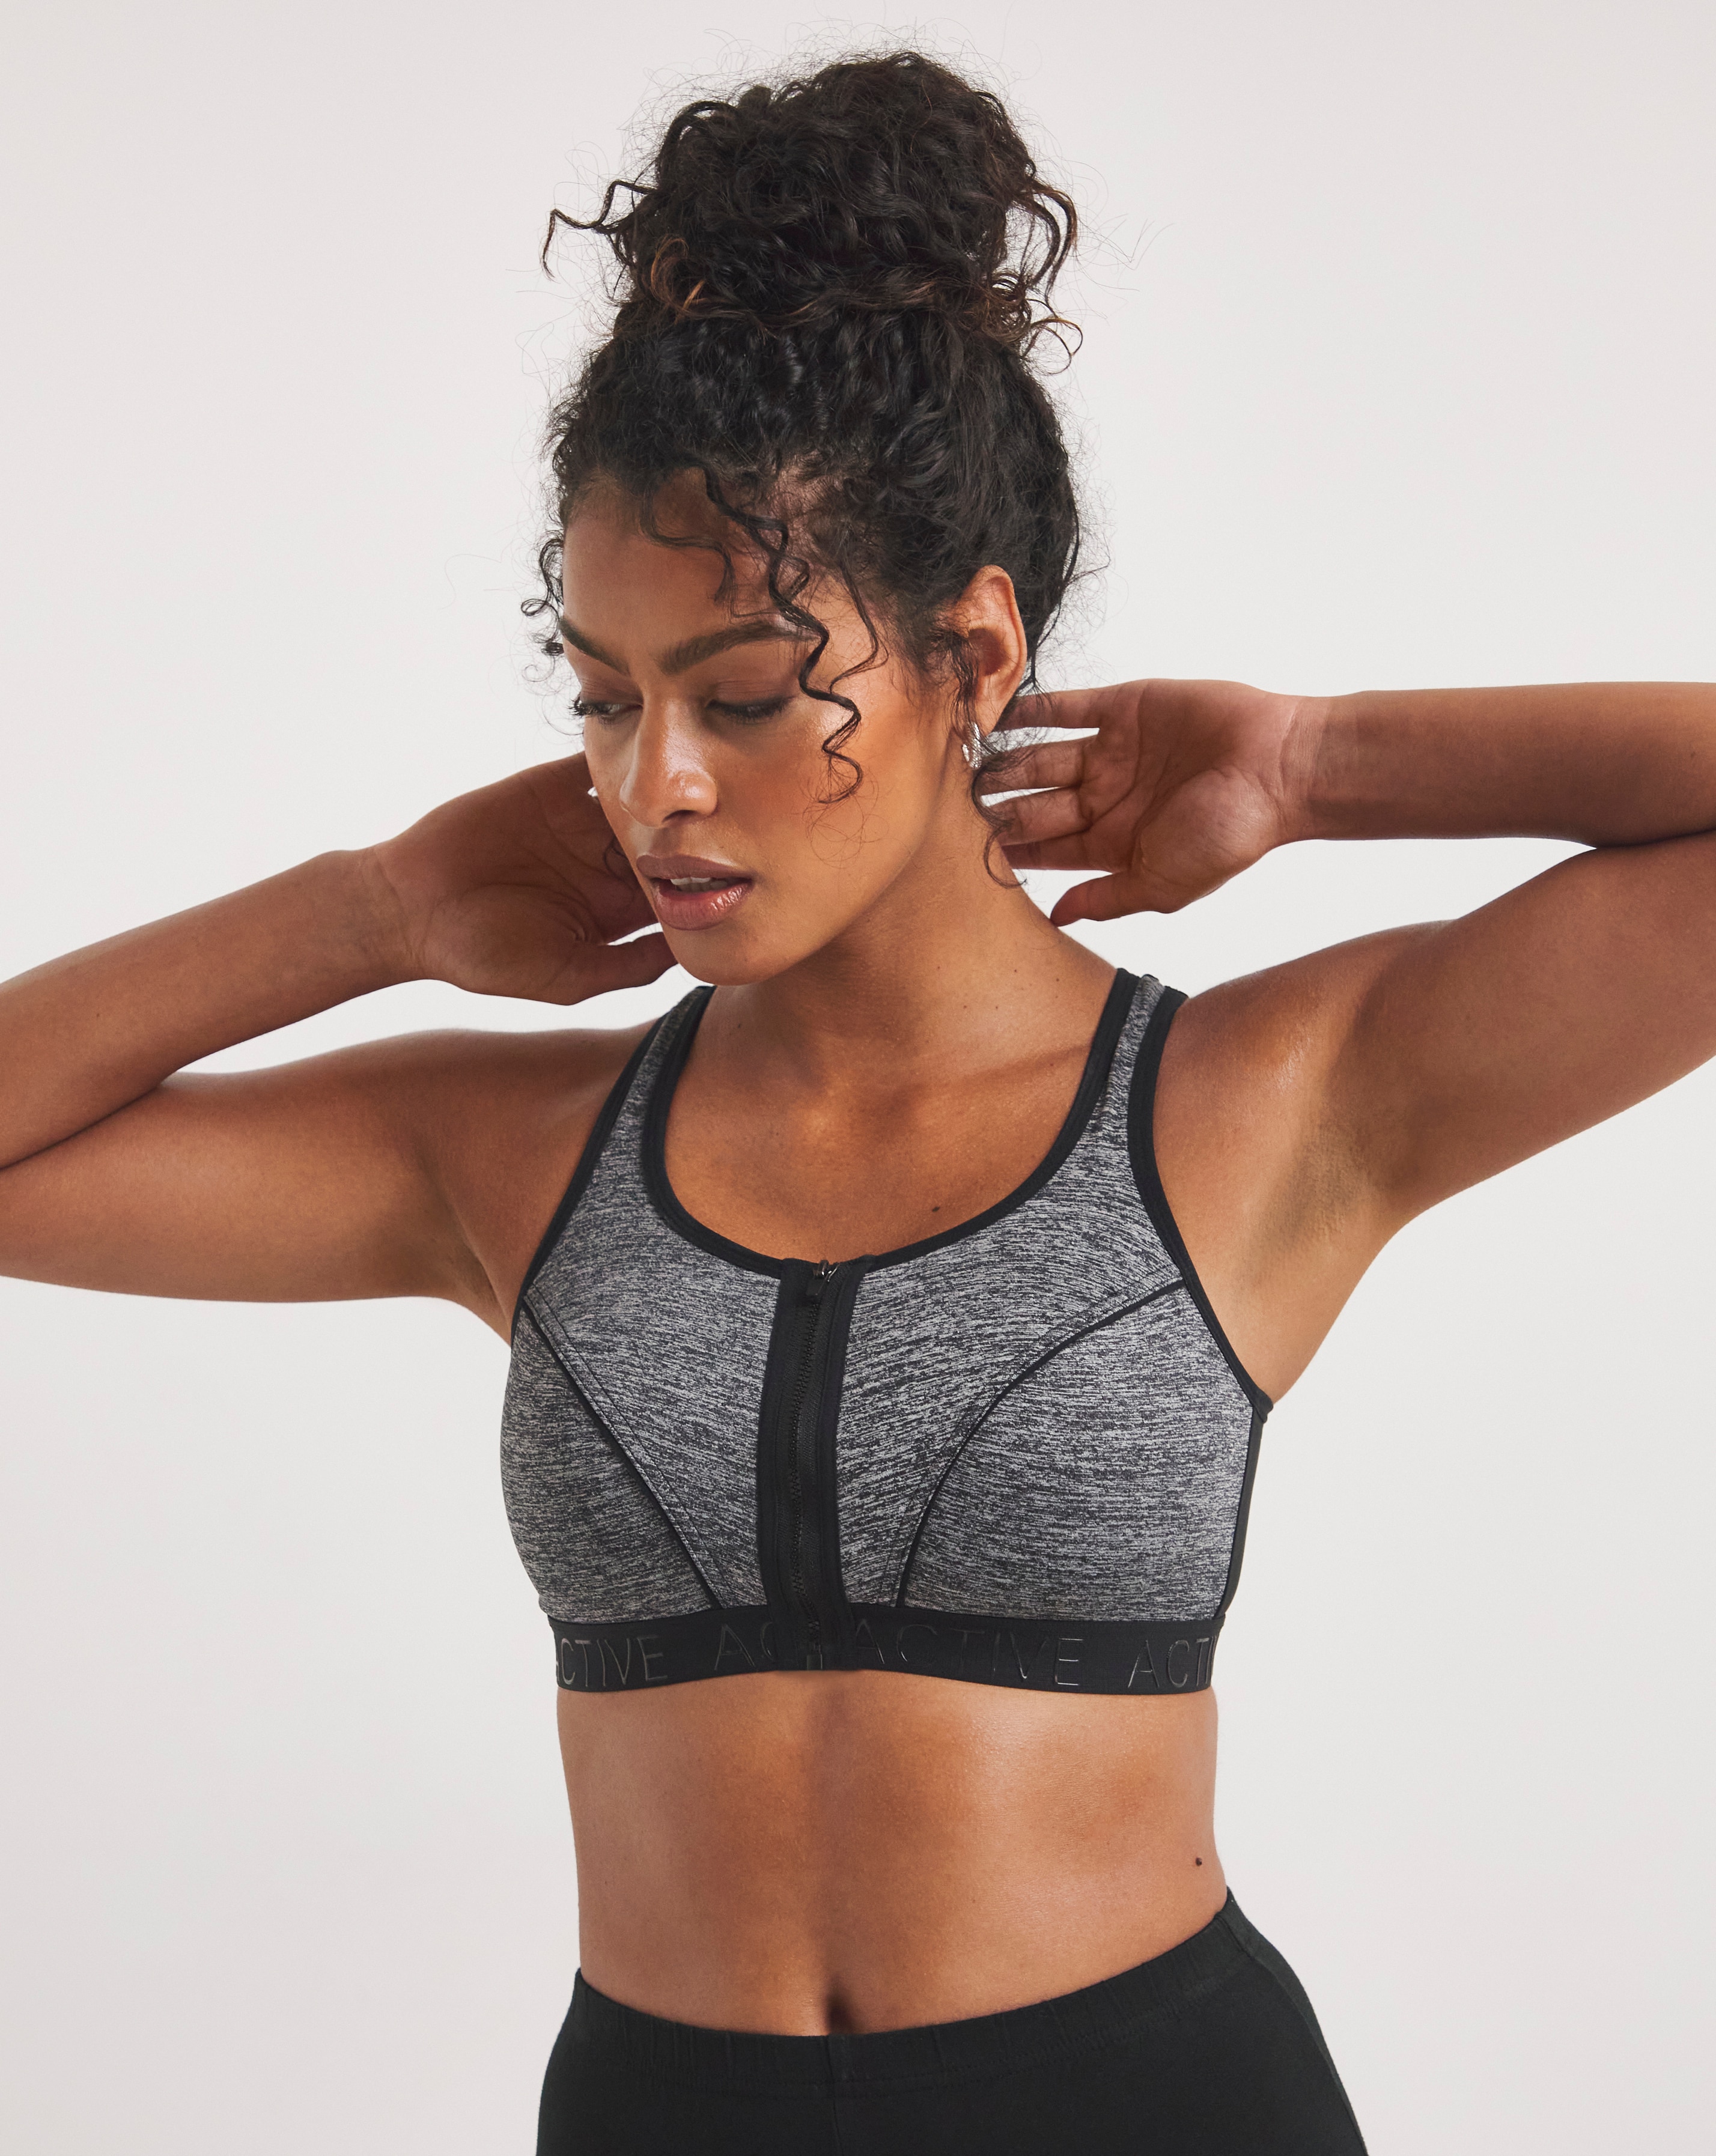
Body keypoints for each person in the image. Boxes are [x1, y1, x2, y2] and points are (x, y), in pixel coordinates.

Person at [5, 46, 1715, 2156]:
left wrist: (1318, 762)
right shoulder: (512, 1156)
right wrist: (378, 906)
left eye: (741, 696)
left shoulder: (1262, 1103)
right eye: (603, 700)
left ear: (973, 658)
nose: (655, 787)